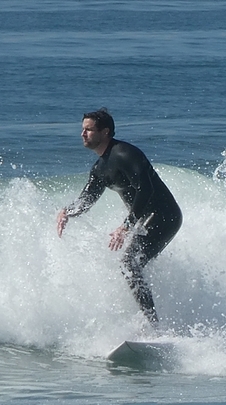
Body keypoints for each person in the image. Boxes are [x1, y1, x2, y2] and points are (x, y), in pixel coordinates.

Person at [56, 109, 182, 325]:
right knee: (134, 265)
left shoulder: (125, 154)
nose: (82, 134)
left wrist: (126, 226)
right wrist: (67, 212)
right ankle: (160, 317)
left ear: (105, 132)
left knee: (129, 262)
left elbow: (146, 189)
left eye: (88, 130)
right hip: (144, 219)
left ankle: (152, 325)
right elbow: (87, 199)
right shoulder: (100, 168)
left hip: (165, 215)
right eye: (82, 129)